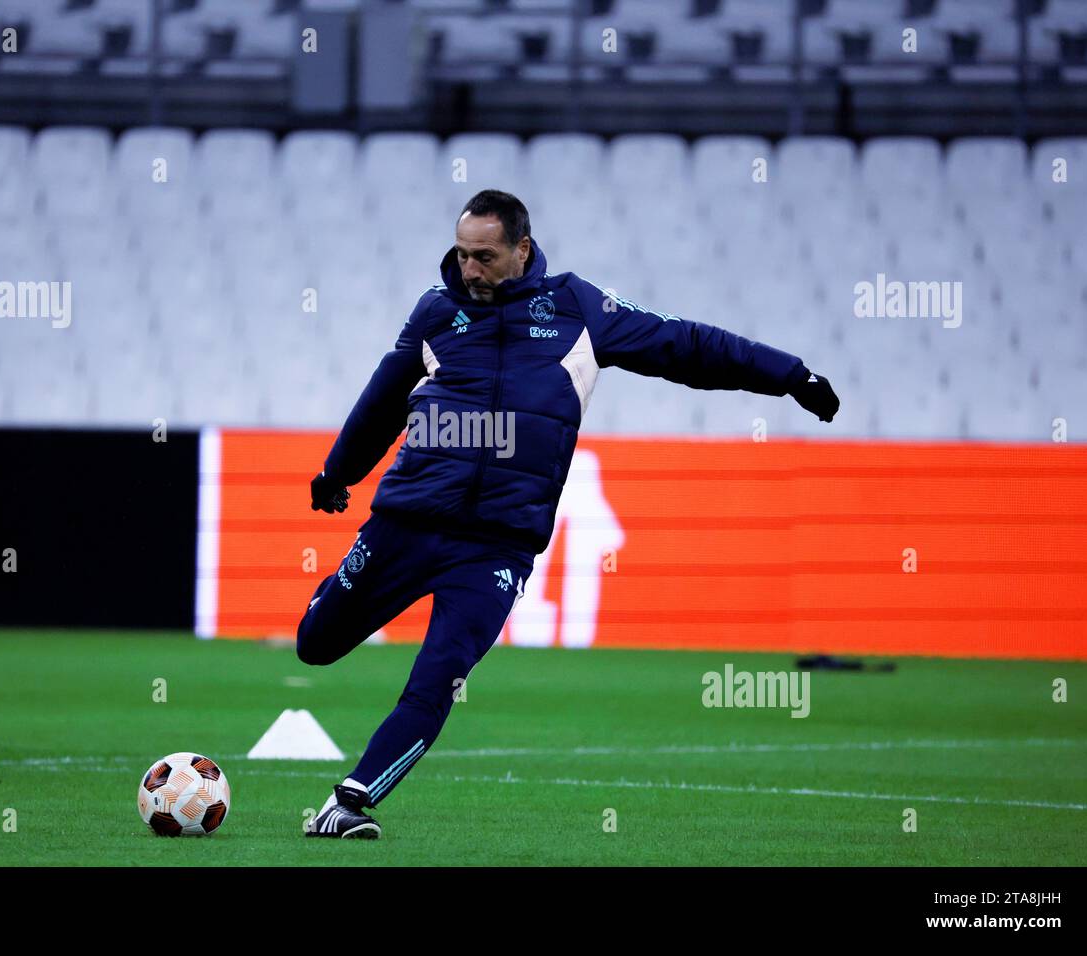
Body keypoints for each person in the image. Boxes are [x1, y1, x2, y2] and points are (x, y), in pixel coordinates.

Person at [299, 189, 839, 838]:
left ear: (522, 250)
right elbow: (382, 403)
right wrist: (338, 474)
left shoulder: (578, 309)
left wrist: (790, 375)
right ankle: (340, 604)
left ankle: (352, 802)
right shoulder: (436, 313)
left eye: (485, 256)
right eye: (462, 255)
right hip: (407, 520)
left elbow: (686, 347)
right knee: (315, 645)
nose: (469, 269)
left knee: (439, 676)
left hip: (496, 547)